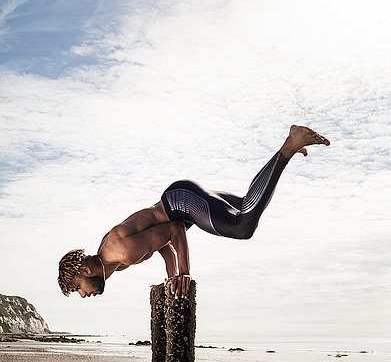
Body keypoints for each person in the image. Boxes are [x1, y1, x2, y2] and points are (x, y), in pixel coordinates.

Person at [58, 124, 330, 299]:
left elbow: (173, 230)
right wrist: (170, 281)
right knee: (248, 205)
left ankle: (289, 146)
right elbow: (160, 243)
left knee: (243, 226)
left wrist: (183, 275)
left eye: (77, 288)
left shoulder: (119, 252)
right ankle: (289, 147)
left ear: (84, 270)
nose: (83, 295)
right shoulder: (110, 261)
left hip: (182, 205)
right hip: (179, 201)